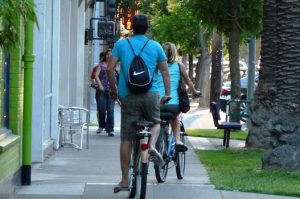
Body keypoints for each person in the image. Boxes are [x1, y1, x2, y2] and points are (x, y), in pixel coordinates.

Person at [107, 14, 171, 190]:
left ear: (132, 27)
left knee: (127, 138)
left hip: (128, 97)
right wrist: (167, 93)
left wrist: (114, 90)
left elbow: (110, 69)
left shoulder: (121, 44)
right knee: (156, 122)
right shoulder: (155, 46)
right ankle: (150, 146)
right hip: (151, 95)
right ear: (147, 28)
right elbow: (165, 72)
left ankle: (125, 181)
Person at [158, 42, 200, 152]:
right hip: (173, 104)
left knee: (155, 120)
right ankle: (177, 140)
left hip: (158, 103)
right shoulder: (179, 66)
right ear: (174, 52)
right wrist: (195, 92)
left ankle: (154, 144)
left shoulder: (156, 65)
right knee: (175, 118)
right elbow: (188, 82)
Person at [94, 50, 115, 136]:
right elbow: (96, 75)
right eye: (107, 54)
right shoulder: (101, 65)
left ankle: (110, 129)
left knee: (110, 110)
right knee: (101, 109)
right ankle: (101, 125)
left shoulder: (115, 65)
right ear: (105, 56)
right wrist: (100, 85)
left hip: (112, 90)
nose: (109, 56)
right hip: (102, 90)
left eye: (111, 55)